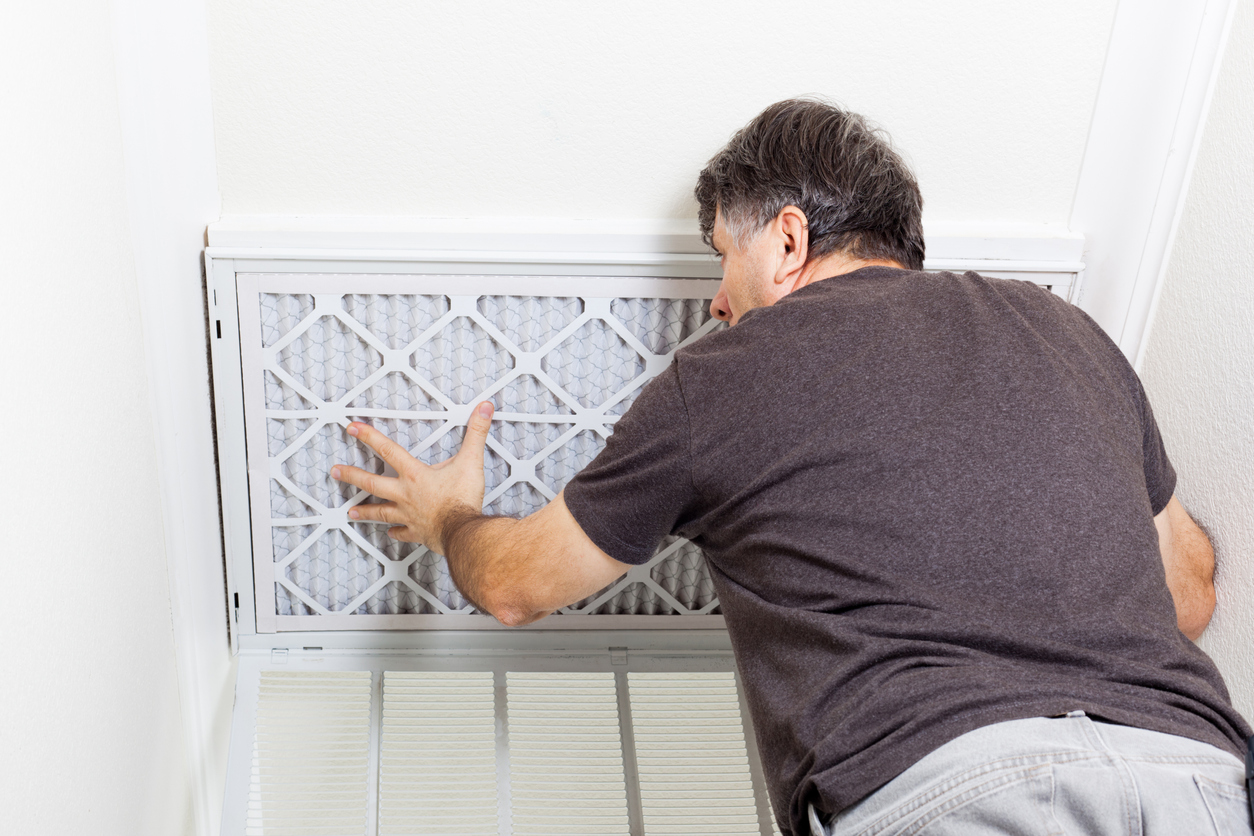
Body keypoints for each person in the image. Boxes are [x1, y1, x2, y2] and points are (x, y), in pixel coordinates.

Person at [329, 99, 1253, 835]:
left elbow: (516, 585)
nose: (719, 306)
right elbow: (1191, 593)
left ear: (786, 240)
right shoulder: (1068, 333)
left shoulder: (730, 375)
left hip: (949, 790)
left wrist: (448, 515)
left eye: (723, 263)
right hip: (1199, 781)